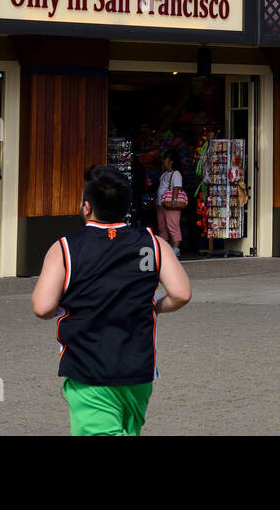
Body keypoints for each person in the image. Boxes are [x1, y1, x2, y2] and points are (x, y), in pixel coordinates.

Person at [32, 165, 190, 436]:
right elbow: (181, 294)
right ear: (127, 207)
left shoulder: (66, 248)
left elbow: (42, 306)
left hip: (88, 369)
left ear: (86, 207)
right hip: (138, 370)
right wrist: (155, 306)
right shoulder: (153, 244)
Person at [155, 154, 185, 257]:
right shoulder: (164, 174)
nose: (164, 161)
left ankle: (176, 249)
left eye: (165, 159)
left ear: (171, 161)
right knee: (162, 227)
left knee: (173, 226)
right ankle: (166, 248)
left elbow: (176, 187)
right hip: (161, 204)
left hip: (171, 204)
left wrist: (174, 201)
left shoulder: (176, 174)